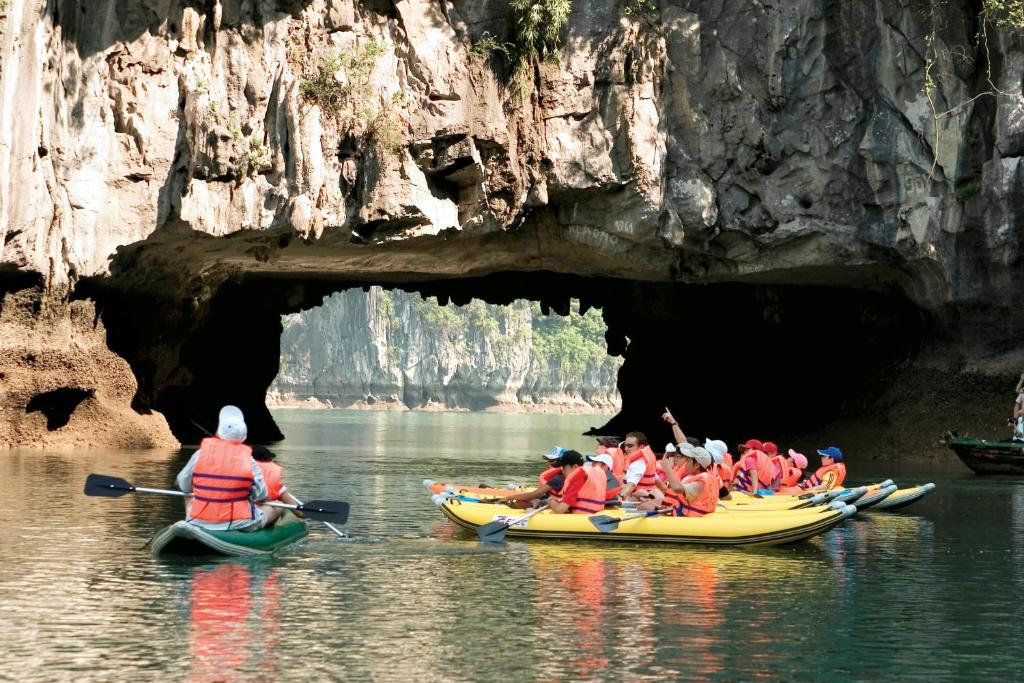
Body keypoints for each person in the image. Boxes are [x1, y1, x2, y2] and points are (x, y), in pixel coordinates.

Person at [176, 405, 273, 531]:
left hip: (200, 520)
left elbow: (183, 485)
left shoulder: (200, 454)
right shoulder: (249, 460)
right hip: (239, 522)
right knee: (276, 507)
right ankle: (268, 533)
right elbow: (262, 496)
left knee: (188, 494)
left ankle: (191, 520)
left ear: (219, 431)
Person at [497, 446, 567, 509]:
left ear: (561, 461)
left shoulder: (558, 479)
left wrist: (508, 498)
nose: (548, 462)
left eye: (551, 460)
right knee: (528, 499)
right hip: (553, 499)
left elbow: (532, 495)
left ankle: (533, 506)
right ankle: (534, 503)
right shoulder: (562, 475)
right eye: (548, 460)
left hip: (555, 502)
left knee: (520, 502)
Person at [660, 444, 719, 516]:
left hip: (691, 523)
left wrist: (668, 469)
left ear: (697, 465)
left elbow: (677, 488)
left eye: (688, 461)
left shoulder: (700, 483)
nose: (686, 464)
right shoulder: (708, 478)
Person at [250, 445, 303, 512]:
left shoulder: (241, 474)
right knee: (279, 504)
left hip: (239, 513)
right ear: (265, 459)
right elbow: (300, 513)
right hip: (259, 514)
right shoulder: (276, 484)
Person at [618, 431, 663, 505]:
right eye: (625, 445)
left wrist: (619, 497)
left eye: (630, 446)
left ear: (641, 447)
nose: (626, 449)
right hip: (648, 497)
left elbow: (631, 485)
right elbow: (660, 484)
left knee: (638, 492)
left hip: (638, 501)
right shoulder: (646, 460)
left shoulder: (638, 464)